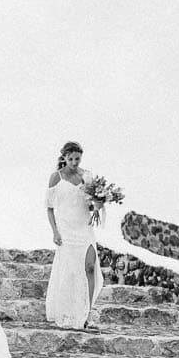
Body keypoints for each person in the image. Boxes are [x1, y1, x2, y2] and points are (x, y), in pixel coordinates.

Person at [43, 141, 101, 329]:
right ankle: (69, 311)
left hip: (84, 228)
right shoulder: (56, 178)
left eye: (78, 158)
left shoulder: (87, 176)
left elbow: (91, 205)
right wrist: (55, 232)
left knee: (90, 268)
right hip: (66, 230)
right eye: (71, 159)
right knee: (69, 272)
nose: (75, 162)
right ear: (64, 158)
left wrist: (99, 204)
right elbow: (49, 208)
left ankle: (87, 313)